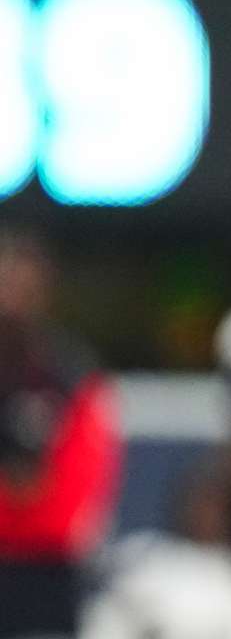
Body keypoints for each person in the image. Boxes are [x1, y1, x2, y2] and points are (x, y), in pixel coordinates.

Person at [0, 230, 122, 639]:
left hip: (47, 575)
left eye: (22, 282)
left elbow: (74, 499)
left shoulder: (71, 375)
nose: (11, 295)